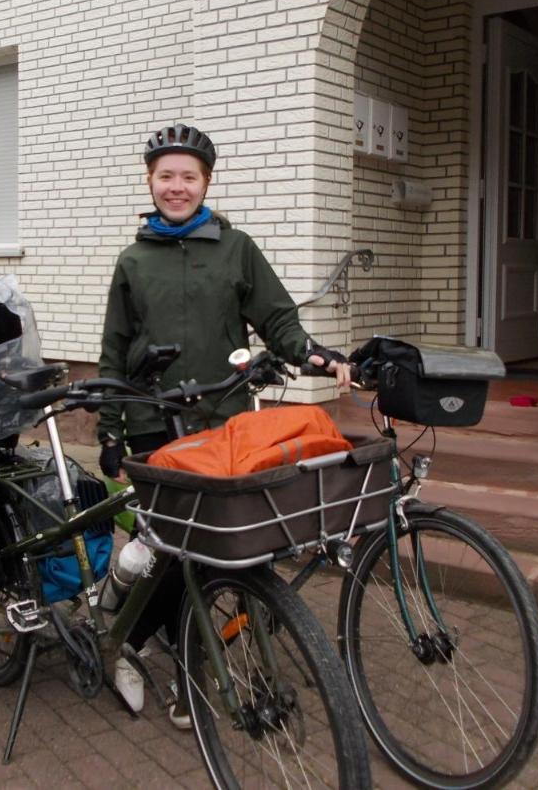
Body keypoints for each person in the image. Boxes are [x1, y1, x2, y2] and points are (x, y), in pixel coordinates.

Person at [97, 123, 350, 724]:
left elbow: (278, 320)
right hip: (154, 421)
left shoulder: (236, 250)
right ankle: (125, 636)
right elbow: (113, 350)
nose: (176, 187)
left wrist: (315, 354)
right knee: (167, 552)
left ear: (206, 182)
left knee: (214, 554)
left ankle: (186, 659)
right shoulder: (133, 261)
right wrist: (110, 430)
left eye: (188, 176)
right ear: (150, 181)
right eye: (166, 176)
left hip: (223, 422)